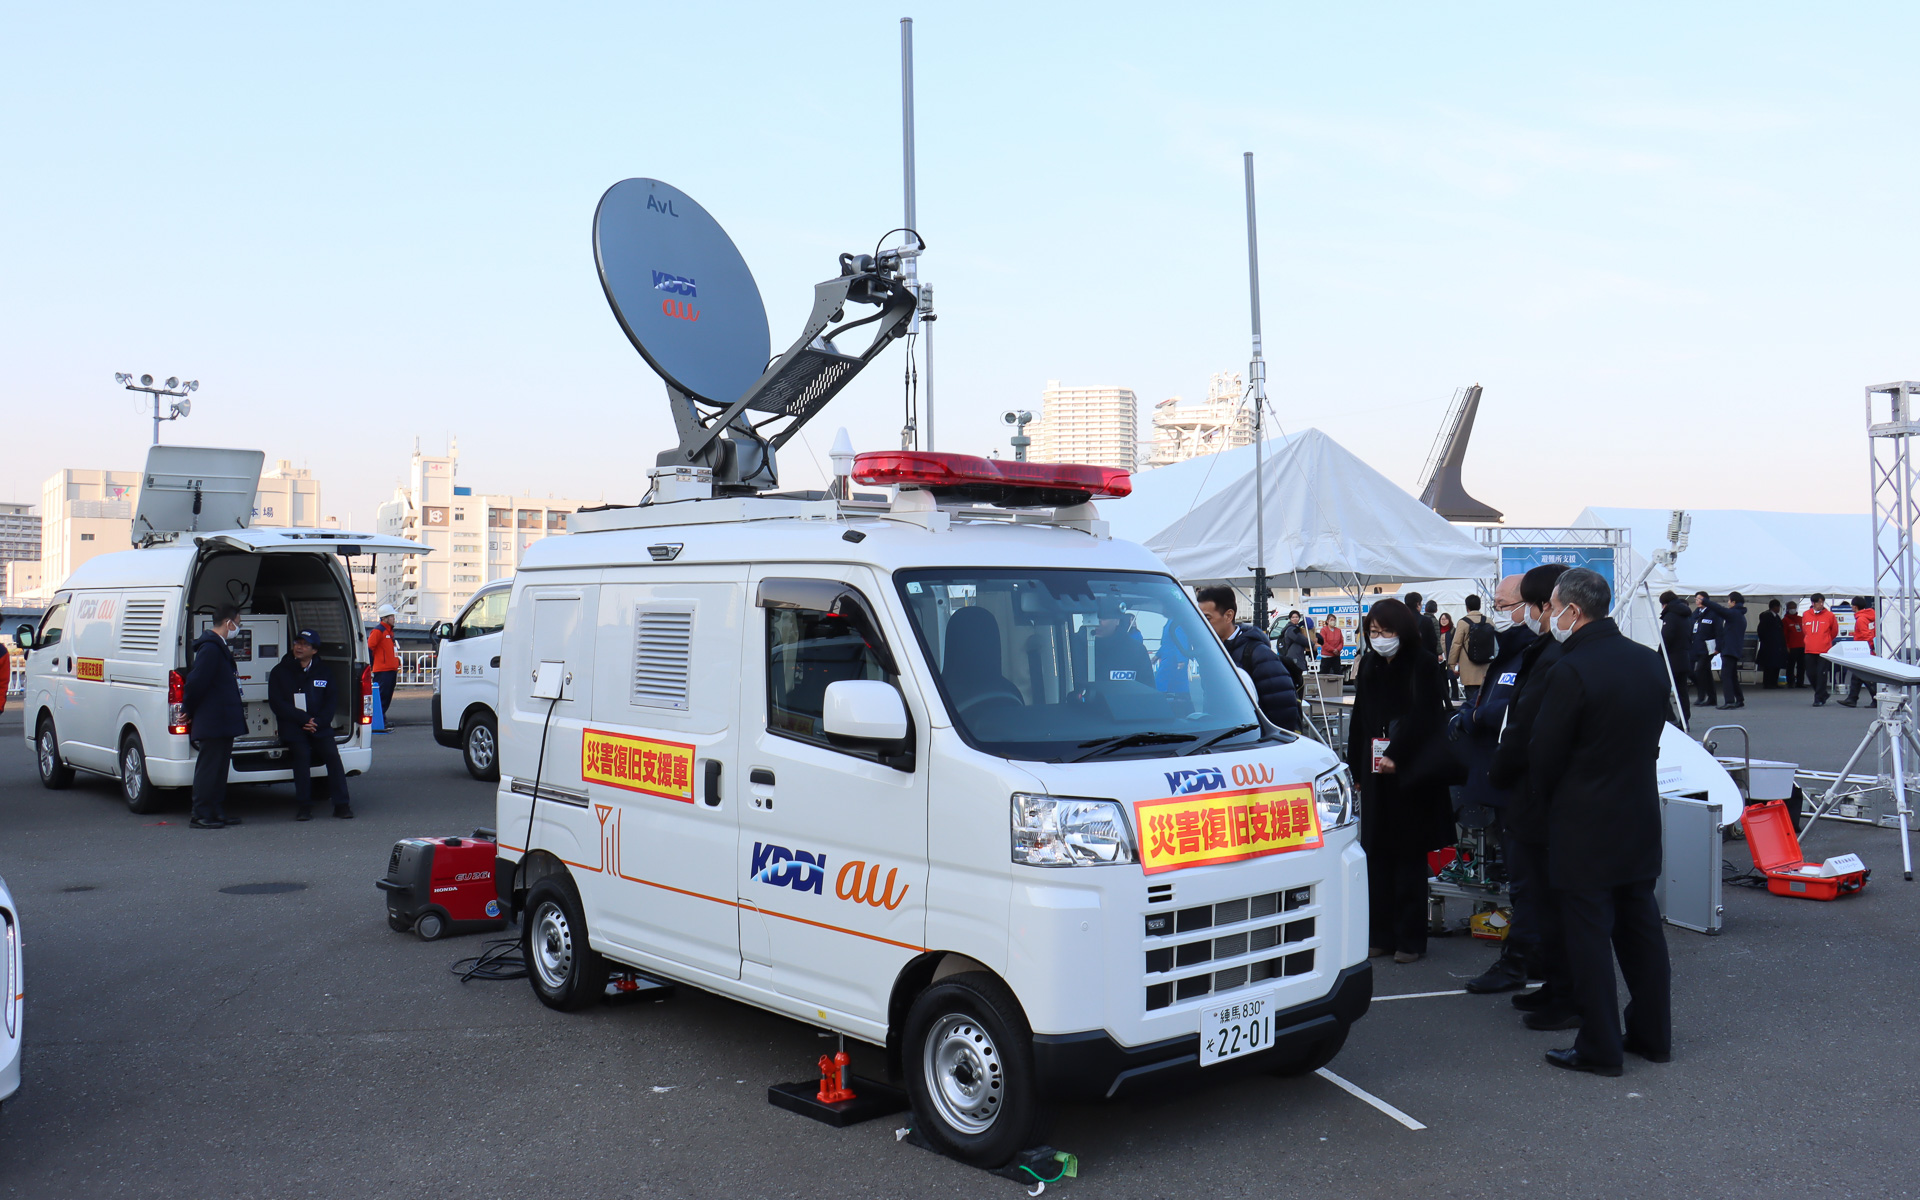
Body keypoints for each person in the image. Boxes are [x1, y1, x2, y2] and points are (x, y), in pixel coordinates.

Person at [1527, 568, 1673, 1076]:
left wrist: (1546, 804)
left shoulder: (1571, 669)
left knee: (1588, 938)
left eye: (1552, 607)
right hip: (1638, 812)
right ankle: (1653, 1034)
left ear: (1573, 610)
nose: (1549, 615)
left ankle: (1600, 1046)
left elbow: (1544, 753)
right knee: (1641, 929)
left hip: (1584, 822)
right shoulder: (1647, 661)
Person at [1488, 562, 1577, 1029]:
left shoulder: (1558, 658)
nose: (1500, 614)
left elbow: (1528, 730)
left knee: (1546, 893)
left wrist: (1501, 769)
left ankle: (1561, 991)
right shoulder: (1535, 651)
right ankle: (1551, 983)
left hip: (1543, 794)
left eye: (1507, 606)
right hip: (1533, 790)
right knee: (1537, 890)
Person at [1346, 598, 1455, 964]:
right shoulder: (1370, 664)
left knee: (1408, 854)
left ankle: (1410, 939)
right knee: (1375, 851)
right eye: (1373, 632)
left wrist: (1397, 752)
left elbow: (1426, 717)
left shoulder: (1422, 663)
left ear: (1402, 631)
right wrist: (1356, 766)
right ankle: (1380, 934)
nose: (1380, 638)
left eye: (1386, 631)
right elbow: (1360, 717)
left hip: (1411, 771)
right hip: (1374, 769)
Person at [1458, 575, 1539, 993]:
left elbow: (1510, 713)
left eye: (1505, 606)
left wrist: (1476, 716)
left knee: (1529, 879)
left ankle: (1521, 962)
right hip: (1502, 779)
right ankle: (1532, 958)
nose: (1498, 614)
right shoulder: (1508, 651)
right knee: (1524, 878)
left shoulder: (1534, 654)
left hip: (1520, 784)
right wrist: (1472, 712)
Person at [267, 629, 355, 820]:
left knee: (332, 756)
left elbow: (331, 701)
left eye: (305, 645)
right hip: (293, 725)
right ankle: (304, 806)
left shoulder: (324, 671)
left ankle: (342, 805)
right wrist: (303, 719)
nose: (299, 647)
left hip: (319, 725)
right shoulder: (280, 671)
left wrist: (319, 721)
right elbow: (277, 703)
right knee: (301, 756)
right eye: (297, 643)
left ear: (314, 650)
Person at [1196, 587, 1300, 731]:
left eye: (1207, 618)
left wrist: (1266, 739)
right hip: (1223, 737)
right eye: (1198, 618)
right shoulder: (1212, 654)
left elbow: (1283, 710)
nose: (1201, 623)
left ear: (1228, 616)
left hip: (1252, 739)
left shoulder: (1259, 654)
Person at [182, 604, 248, 830]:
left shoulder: (218, 646)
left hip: (223, 718)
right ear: (228, 623)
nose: (238, 628)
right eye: (237, 623)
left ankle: (216, 810)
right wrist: (187, 709)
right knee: (209, 767)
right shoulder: (210, 648)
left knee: (220, 768)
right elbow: (196, 682)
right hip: (213, 718)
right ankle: (200, 813)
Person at [1700, 592, 1747, 710]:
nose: (1728, 603)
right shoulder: (1740, 615)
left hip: (1730, 649)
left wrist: (1705, 601)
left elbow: (1720, 609)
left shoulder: (1734, 613)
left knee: (1726, 675)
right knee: (1732, 675)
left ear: (1734, 602)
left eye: (1729, 600)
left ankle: (1729, 700)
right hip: (1734, 649)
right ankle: (1739, 699)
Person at [1446, 595, 1494, 706]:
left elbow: (1456, 644)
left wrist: (1452, 663)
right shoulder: (1489, 621)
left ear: (1467, 607)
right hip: (1486, 666)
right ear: (1480, 606)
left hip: (1469, 668)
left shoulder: (1463, 622)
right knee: (1484, 699)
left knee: (1471, 701)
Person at [1659, 591, 1692, 726]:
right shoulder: (1686, 616)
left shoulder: (1670, 616)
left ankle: (1670, 718)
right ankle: (1685, 719)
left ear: (1665, 604)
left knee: (1662, 689)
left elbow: (1666, 638)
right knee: (1682, 691)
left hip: (1671, 659)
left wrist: (1659, 655)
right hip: (1684, 656)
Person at [1840, 596, 1878, 707]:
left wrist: (1868, 647)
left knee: (1863, 676)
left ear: (1855, 607)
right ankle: (1852, 699)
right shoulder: (1871, 616)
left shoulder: (1861, 619)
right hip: (1869, 649)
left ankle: (1875, 698)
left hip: (1863, 650)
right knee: (1857, 676)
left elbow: (1866, 635)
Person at [368, 603, 402, 722]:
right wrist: (371, 665)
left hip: (390, 670)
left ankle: (381, 719)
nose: (394, 618)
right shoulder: (378, 631)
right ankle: (379, 720)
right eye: (392, 616)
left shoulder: (388, 632)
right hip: (383, 671)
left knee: (386, 696)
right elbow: (370, 648)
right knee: (382, 696)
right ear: (385, 618)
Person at [1802, 594, 1838, 706]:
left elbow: (1834, 631)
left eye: (1822, 602)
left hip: (1824, 650)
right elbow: (1805, 630)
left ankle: (1818, 698)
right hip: (1809, 648)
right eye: (1818, 602)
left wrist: (1826, 640)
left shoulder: (1829, 615)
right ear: (1813, 603)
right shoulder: (1806, 614)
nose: (1820, 605)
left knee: (1821, 674)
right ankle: (1823, 693)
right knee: (1810, 673)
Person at [1688, 592, 1721, 709]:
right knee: (1696, 671)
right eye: (1696, 599)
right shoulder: (1695, 613)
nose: (1697, 601)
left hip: (1707, 648)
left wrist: (1718, 647)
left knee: (1700, 671)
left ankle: (1703, 696)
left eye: (1700, 599)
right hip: (1695, 646)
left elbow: (1718, 631)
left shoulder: (1713, 613)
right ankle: (1710, 697)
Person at [1275, 610, 1313, 700]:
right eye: (1293, 617)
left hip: (1295, 658)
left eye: (1296, 617)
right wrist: (1312, 644)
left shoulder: (1295, 628)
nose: (1295, 619)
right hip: (1294, 659)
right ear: (1290, 618)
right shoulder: (1291, 629)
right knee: (1296, 681)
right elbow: (1300, 639)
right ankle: (1295, 700)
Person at [1755, 600, 1786, 689]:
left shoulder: (1776, 617)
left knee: (1776, 665)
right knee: (1769, 665)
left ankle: (1774, 682)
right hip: (1769, 645)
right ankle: (1767, 683)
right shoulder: (1766, 616)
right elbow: (1761, 630)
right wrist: (1765, 641)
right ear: (1774, 607)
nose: (1779, 609)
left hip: (1777, 645)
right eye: (1778, 607)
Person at [1783, 601, 1806, 689]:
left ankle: (1800, 682)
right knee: (1791, 665)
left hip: (1802, 645)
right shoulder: (1785, 620)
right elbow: (1784, 634)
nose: (1792, 609)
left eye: (1794, 607)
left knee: (1801, 665)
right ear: (1787, 609)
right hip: (1792, 646)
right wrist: (1787, 646)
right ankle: (1790, 682)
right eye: (1791, 608)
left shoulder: (1800, 619)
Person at [1438, 613, 1460, 701]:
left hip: (1451, 658)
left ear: (1449, 620)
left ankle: (1455, 697)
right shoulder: (1438, 631)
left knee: (1452, 678)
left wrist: (1457, 659)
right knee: (1443, 679)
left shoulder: (1453, 631)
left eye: (1445, 619)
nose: (1443, 621)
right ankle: (1445, 697)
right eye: (1442, 619)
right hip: (1441, 659)